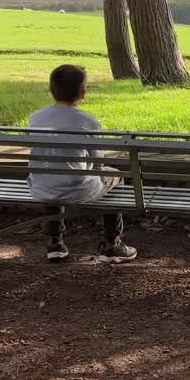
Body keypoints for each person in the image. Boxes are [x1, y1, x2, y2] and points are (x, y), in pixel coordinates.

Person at [28, 64, 138, 264]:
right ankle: (112, 244)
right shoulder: (87, 121)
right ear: (83, 93)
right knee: (116, 176)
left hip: (41, 187)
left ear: (51, 90)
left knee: (50, 175)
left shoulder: (36, 117)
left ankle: (55, 242)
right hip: (78, 190)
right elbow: (98, 162)